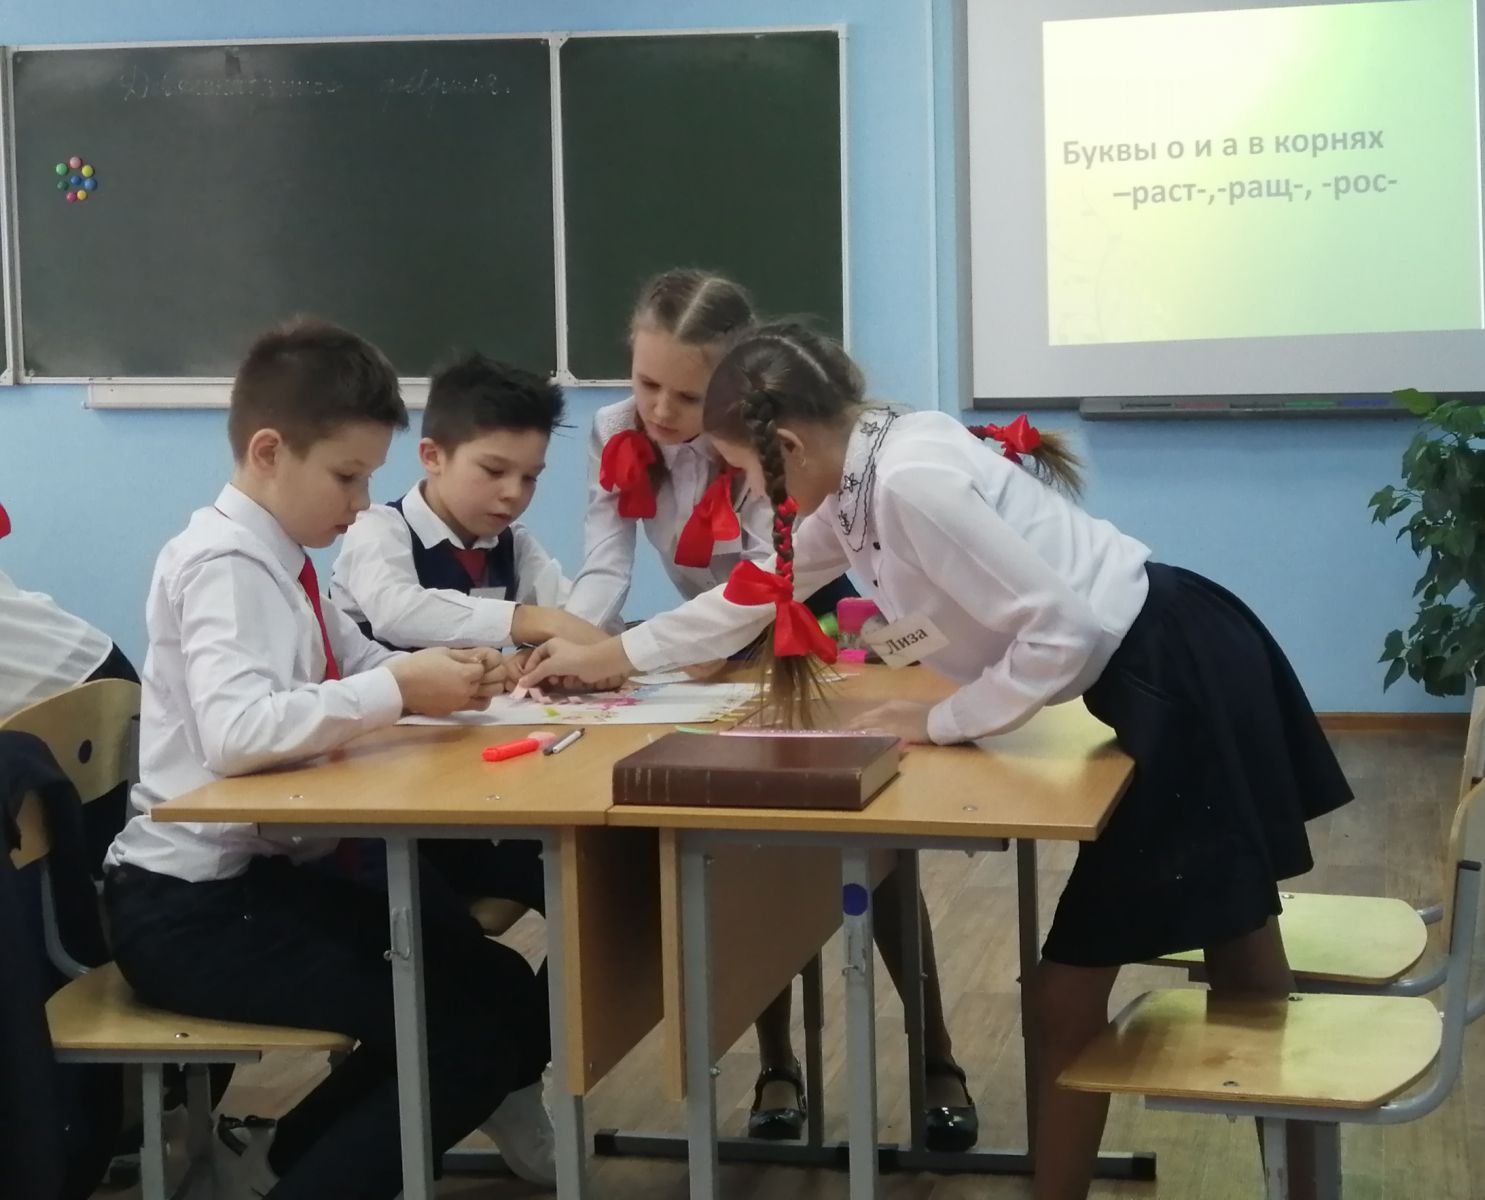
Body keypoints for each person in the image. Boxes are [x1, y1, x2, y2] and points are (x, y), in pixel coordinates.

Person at [514, 321, 1353, 1199]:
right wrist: (612, 655)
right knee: (1237, 942)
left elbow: (1062, 632)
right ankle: (1301, 1182)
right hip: (1177, 658)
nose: (746, 492)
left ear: (787, 446)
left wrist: (947, 719)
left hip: (1175, 675)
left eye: (743, 471)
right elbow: (751, 595)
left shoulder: (906, 482)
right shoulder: (863, 476)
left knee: (1082, 991)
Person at [102, 318, 556, 1198]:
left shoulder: (282, 558)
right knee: (461, 1034)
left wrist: (453, 676)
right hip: (187, 911)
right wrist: (398, 689)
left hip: (255, 886)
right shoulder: (224, 563)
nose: (359, 502)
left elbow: (357, 662)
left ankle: (273, 1163)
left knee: (494, 990)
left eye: (368, 479)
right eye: (347, 477)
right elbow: (237, 733)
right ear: (269, 452)